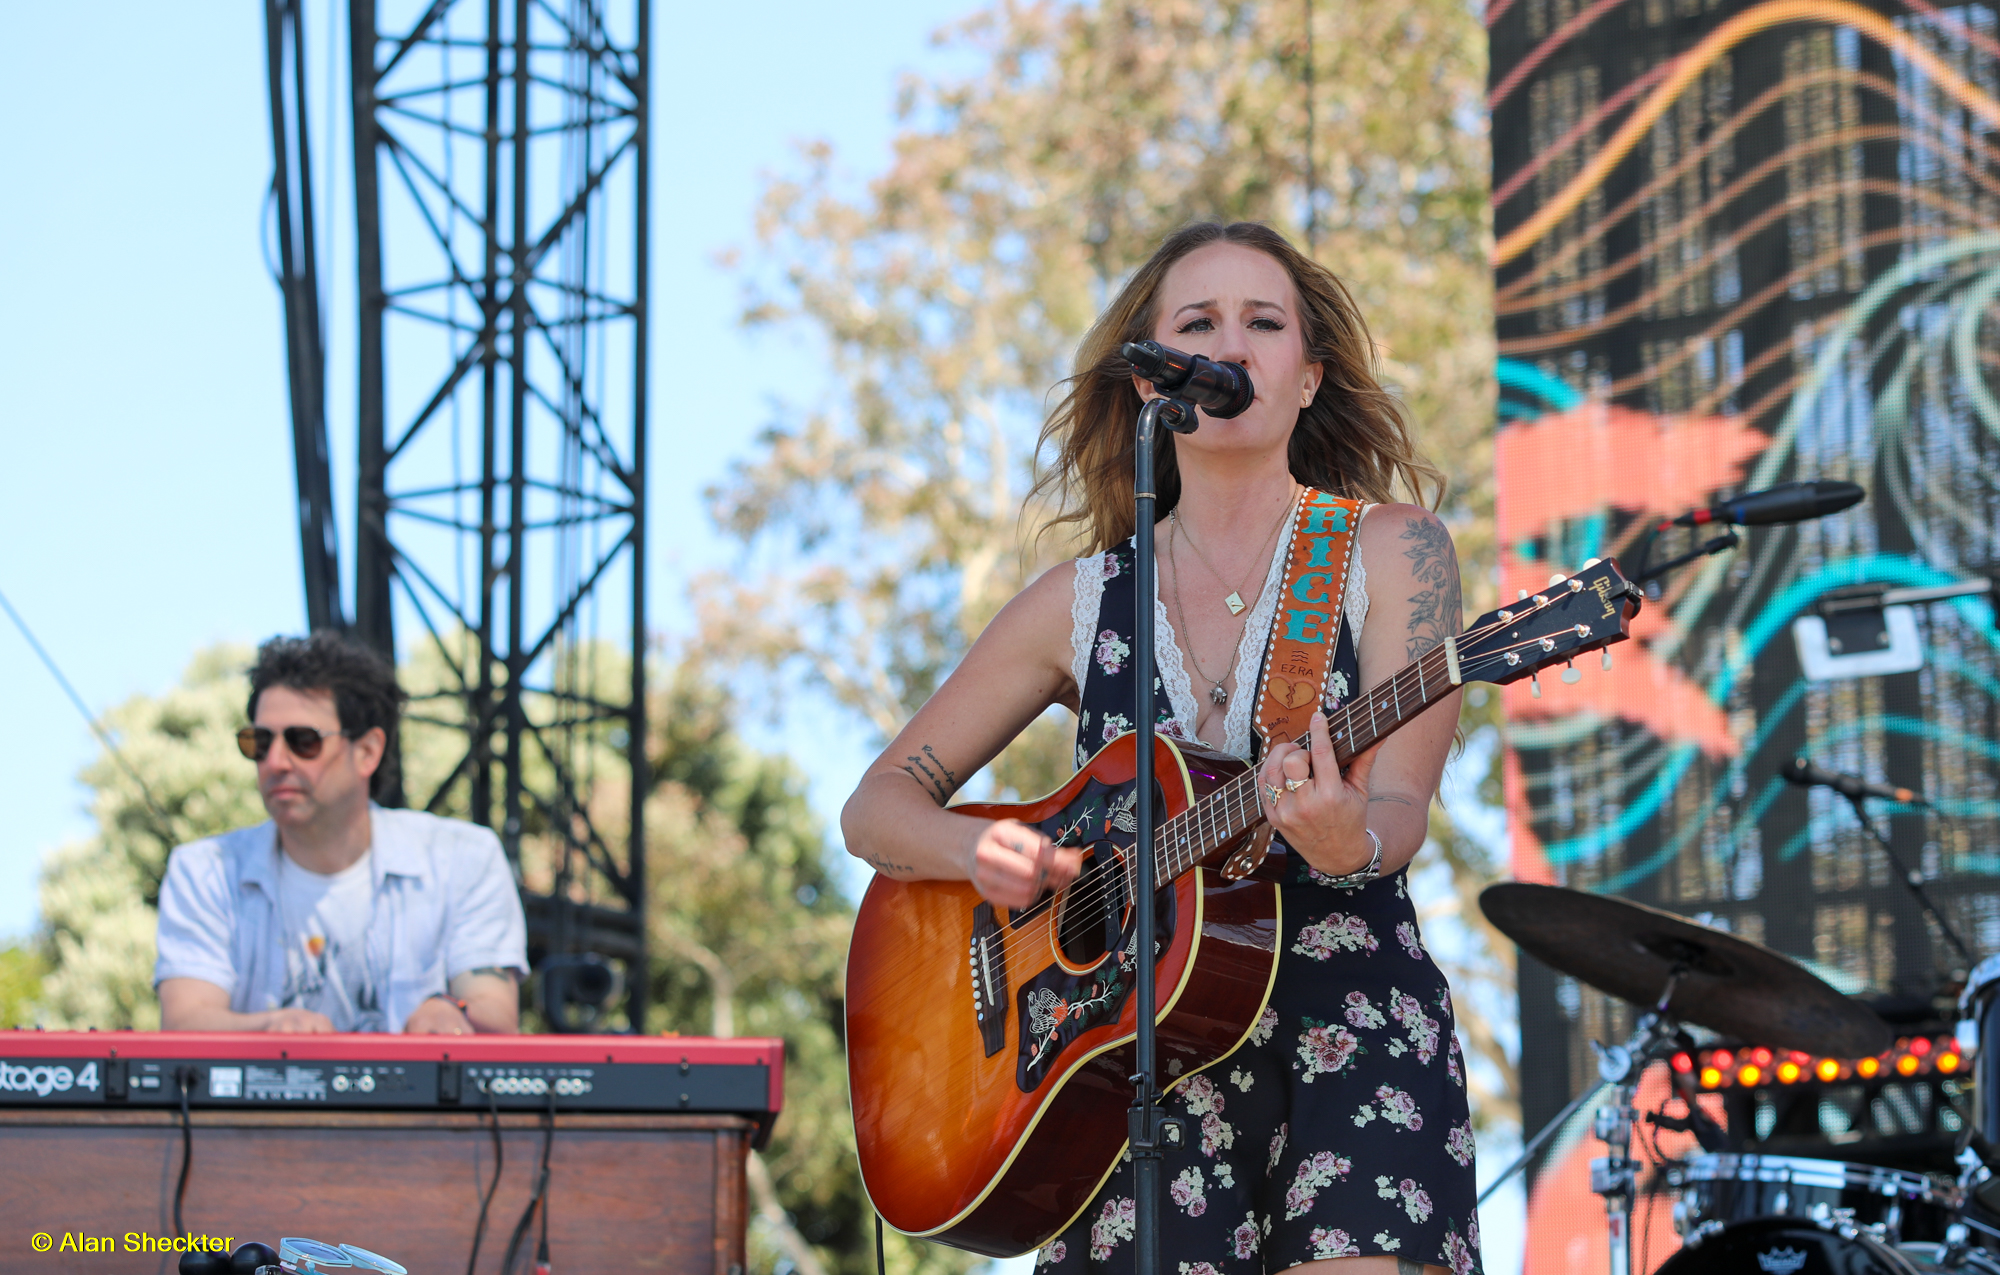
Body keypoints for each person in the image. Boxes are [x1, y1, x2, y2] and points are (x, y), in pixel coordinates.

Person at [841, 222, 1477, 1275]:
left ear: (1307, 377)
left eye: (1262, 323)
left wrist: (1339, 838)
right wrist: (974, 854)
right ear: (1151, 384)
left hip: (1348, 1019)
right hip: (1132, 1067)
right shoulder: (1076, 604)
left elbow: (1397, 810)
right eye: (1197, 324)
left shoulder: (1389, 550)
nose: (1230, 343)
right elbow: (877, 809)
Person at [155, 631, 527, 1035]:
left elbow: (496, 1012)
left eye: (303, 741)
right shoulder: (204, 870)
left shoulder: (464, 856)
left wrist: (449, 1009)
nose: (276, 761)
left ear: (367, 751)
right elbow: (185, 1022)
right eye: (259, 742)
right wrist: (275, 1029)